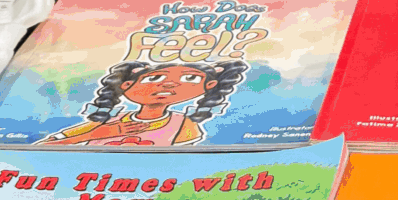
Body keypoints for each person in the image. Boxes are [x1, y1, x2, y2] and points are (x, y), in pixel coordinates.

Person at [35, 56, 244, 149]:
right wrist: (96, 134)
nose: (169, 85)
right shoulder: (106, 120)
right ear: (126, 85)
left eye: (190, 79)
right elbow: (43, 147)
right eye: (154, 78)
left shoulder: (184, 125)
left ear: (209, 86)